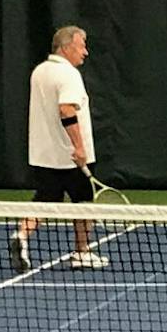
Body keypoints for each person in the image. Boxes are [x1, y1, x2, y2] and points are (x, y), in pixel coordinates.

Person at [10, 25, 105, 272]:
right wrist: (80, 148)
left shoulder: (39, 72)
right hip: (72, 157)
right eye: (81, 45)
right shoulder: (69, 75)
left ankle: (21, 236)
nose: (85, 52)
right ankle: (82, 252)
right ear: (65, 47)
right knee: (83, 202)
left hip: (44, 155)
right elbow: (66, 110)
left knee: (44, 200)